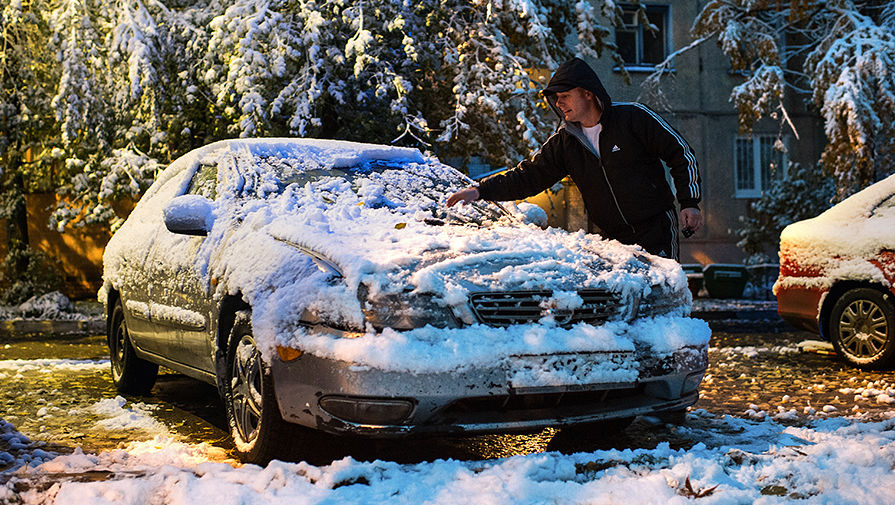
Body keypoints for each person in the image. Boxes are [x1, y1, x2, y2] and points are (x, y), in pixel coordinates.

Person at [447, 57, 702, 261]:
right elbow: (529, 177)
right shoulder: (566, 142)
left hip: (655, 228)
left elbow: (680, 153)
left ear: (587, 93)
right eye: (555, 99)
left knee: (662, 303)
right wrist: (481, 191)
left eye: (565, 96)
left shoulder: (633, 118)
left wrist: (689, 202)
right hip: (609, 239)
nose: (559, 104)